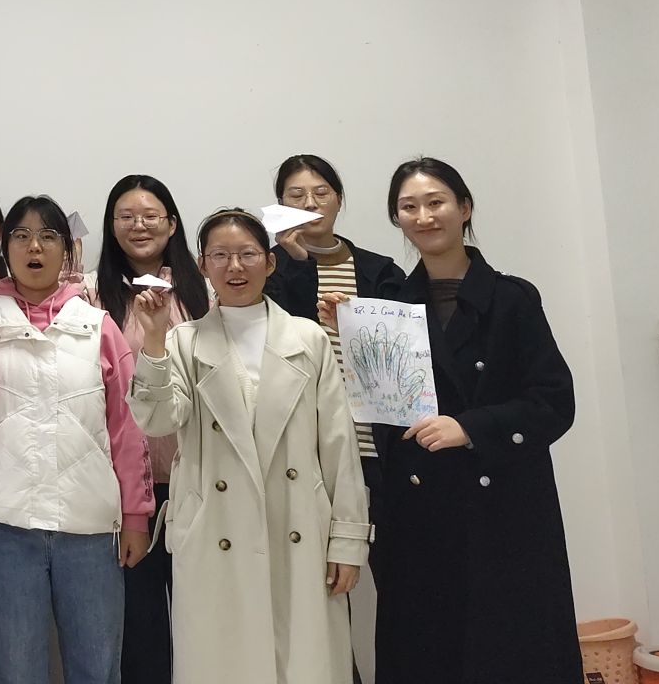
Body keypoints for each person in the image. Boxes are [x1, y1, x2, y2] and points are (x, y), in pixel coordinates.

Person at [127, 207, 368, 684]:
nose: (234, 267)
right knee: (224, 663)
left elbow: (338, 446)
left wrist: (347, 540)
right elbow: (156, 420)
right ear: (203, 265)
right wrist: (153, 341)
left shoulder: (308, 338)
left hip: (298, 524)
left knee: (302, 663)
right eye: (220, 255)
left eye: (247, 254)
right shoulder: (183, 341)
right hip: (215, 531)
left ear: (270, 262)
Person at [362, 160, 580, 684]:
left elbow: (554, 402)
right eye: (409, 207)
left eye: (435, 202)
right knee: (428, 651)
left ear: (464, 208)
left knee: (508, 650)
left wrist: (472, 428)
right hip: (418, 516)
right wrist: (358, 338)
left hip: (504, 512)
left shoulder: (512, 298)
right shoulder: (389, 308)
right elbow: (385, 414)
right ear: (397, 219)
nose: (423, 216)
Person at [0, 195, 153, 684]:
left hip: (90, 527)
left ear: (66, 251)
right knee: (15, 669)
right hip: (6, 527)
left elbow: (127, 426)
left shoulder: (98, 327)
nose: (34, 247)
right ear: (6, 248)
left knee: (96, 667)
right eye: (22, 236)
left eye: (48, 236)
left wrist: (136, 517)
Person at [265, 153, 404, 678]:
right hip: (308, 453)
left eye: (321, 192)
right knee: (319, 595)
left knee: (401, 583)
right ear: (280, 205)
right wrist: (296, 264)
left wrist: (357, 328)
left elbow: (405, 355)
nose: (310, 203)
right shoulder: (267, 269)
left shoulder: (379, 270)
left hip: (378, 448)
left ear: (339, 199)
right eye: (296, 195)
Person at [86, 175, 211, 684]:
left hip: (197, 481)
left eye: (151, 215)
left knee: (202, 621)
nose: (139, 226)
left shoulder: (204, 291)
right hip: (122, 490)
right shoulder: (90, 295)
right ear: (111, 226)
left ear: (172, 224)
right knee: (139, 628)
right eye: (126, 217)